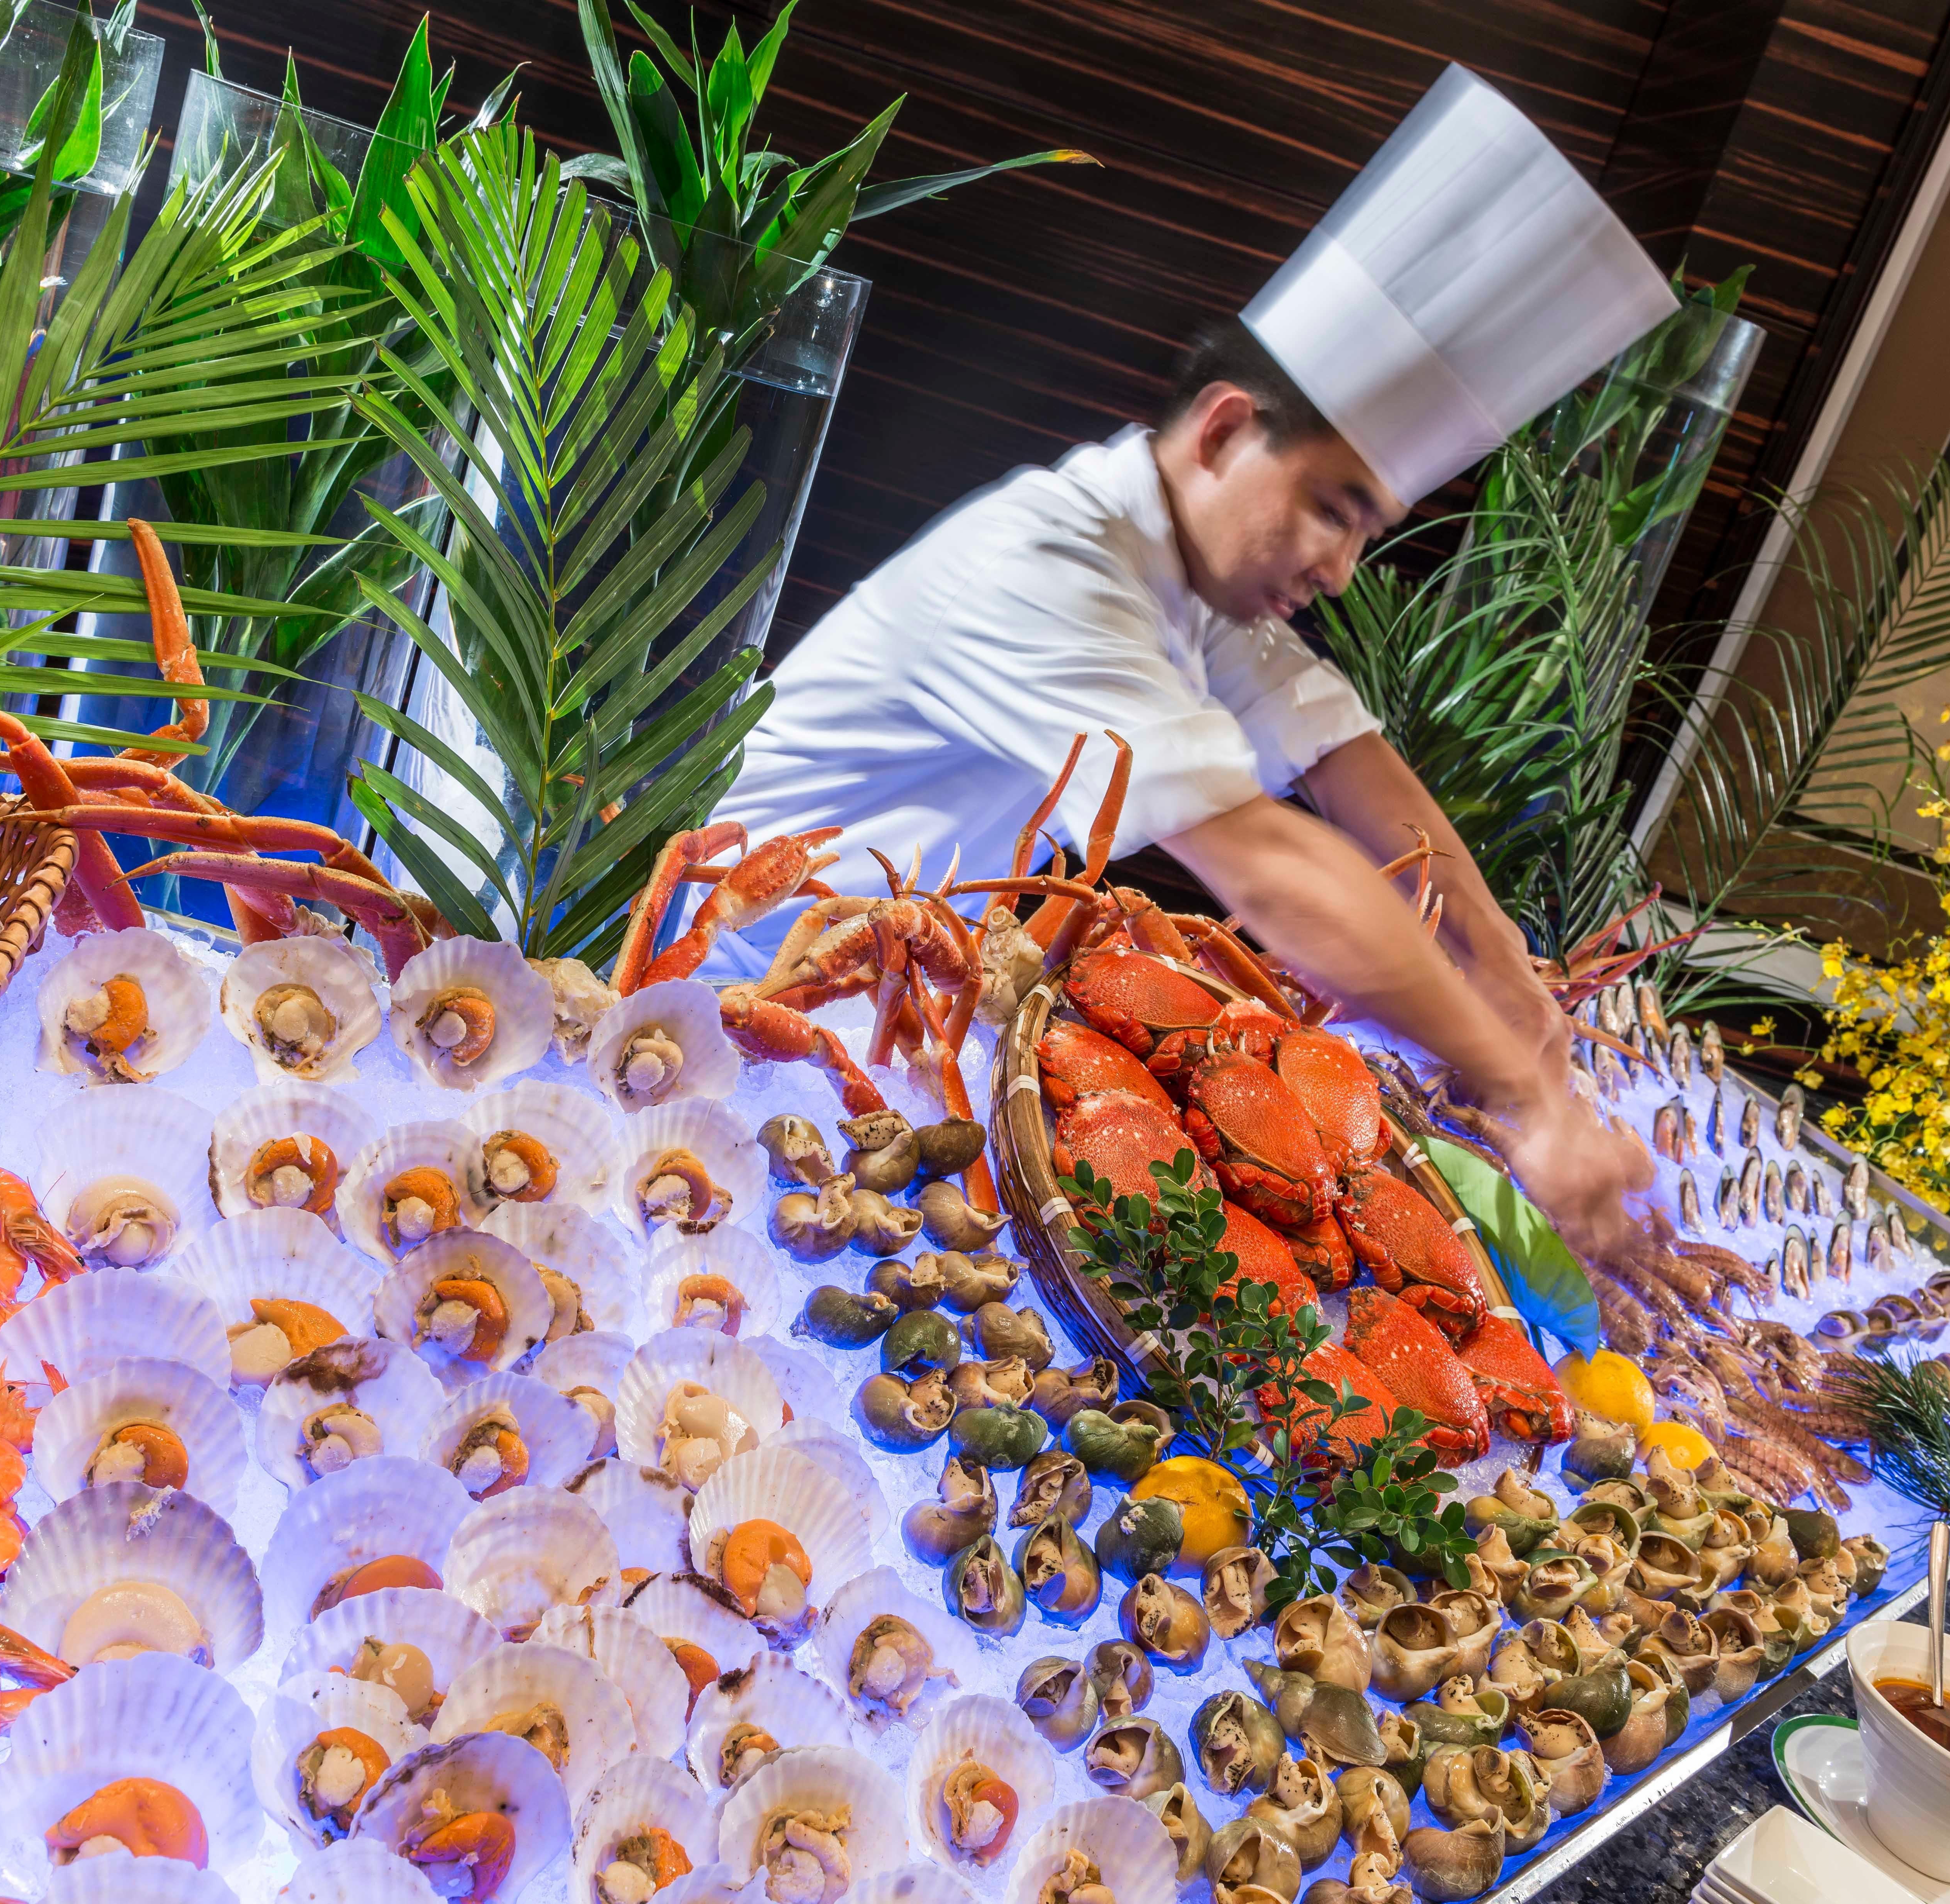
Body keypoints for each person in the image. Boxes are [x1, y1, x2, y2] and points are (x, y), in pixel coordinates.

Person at [712, 67, 1678, 1254]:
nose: (1339, 570)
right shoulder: (1053, 559)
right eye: (1334, 508)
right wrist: (1526, 1100)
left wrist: (1513, 985)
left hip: (892, 1013)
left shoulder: (1186, 573)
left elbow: (1346, 760)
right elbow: (1271, 872)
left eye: (1366, 531)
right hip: (722, 999)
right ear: (1224, 429)